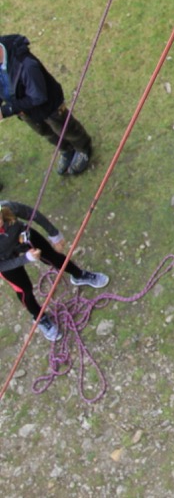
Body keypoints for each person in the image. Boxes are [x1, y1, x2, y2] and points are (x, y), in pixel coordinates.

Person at [0, 201, 109, 342]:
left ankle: (79, 275)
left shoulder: (8, 207)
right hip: (4, 260)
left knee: (53, 257)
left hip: (23, 237)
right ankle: (39, 317)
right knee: (24, 289)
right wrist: (26, 259)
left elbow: (33, 214)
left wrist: (54, 233)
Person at [0, 34, 93, 176]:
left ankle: (83, 149)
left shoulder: (25, 64)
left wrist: (9, 109)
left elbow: (38, 96)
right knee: (46, 132)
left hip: (49, 107)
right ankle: (66, 150)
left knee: (65, 128)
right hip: (26, 111)